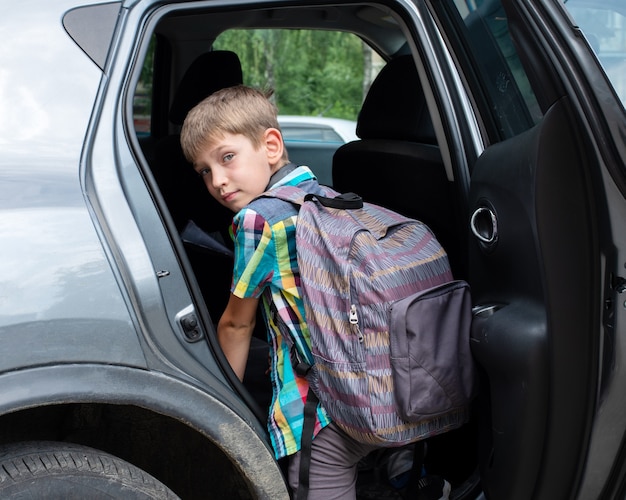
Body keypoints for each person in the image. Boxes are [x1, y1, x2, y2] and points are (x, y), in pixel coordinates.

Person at [180, 85, 380, 500]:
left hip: (324, 410)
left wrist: (222, 413)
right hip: (377, 386)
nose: (217, 180)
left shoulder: (258, 220)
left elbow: (237, 323)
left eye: (227, 157)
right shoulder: (326, 197)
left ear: (270, 145)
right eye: (203, 171)